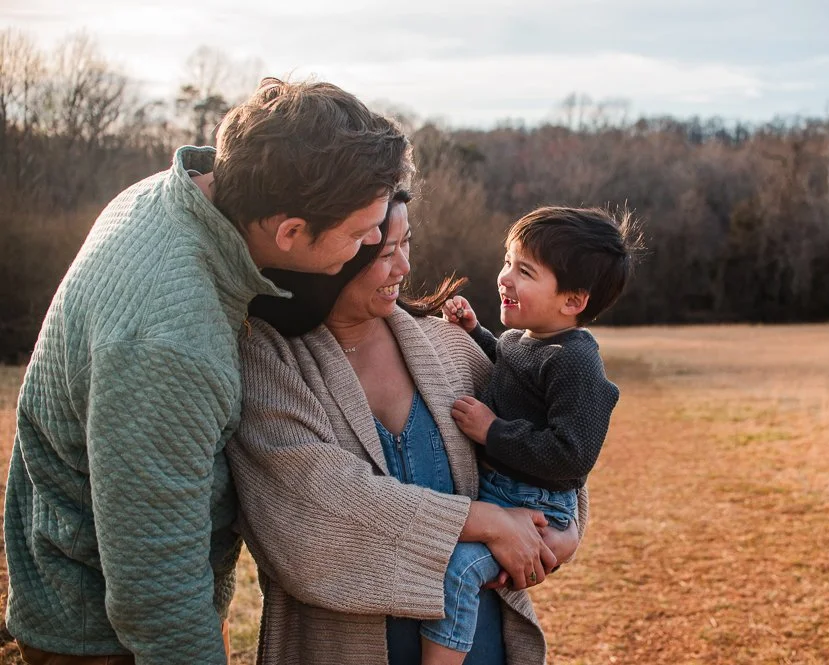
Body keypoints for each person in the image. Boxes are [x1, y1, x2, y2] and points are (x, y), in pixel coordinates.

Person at [3, 78, 412, 665]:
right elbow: (156, 592)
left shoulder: (171, 194)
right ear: (291, 232)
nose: (376, 241)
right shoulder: (169, 343)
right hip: (100, 637)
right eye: (359, 232)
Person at [227, 192, 585, 665]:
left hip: (484, 646)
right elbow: (314, 510)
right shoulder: (269, 358)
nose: (402, 268)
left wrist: (566, 531)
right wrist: (487, 523)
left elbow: (554, 441)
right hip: (335, 649)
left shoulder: (449, 347)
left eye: (406, 244)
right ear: (328, 251)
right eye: (382, 252)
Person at [432, 206, 639, 664]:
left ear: (572, 301)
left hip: (536, 506)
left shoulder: (576, 362)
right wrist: (474, 332)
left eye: (524, 271)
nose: (505, 277)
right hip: (505, 494)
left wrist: (492, 432)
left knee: (460, 572)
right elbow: (512, 370)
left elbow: (572, 455)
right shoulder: (526, 340)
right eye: (508, 261)